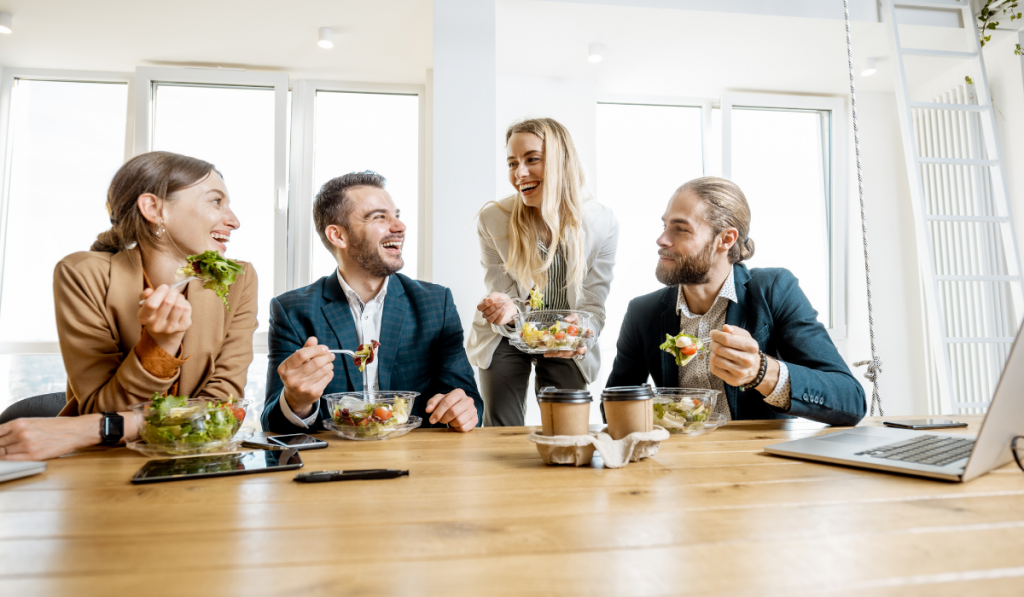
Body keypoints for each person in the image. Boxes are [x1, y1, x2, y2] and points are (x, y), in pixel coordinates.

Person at [606, 177, 865, 426]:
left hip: (757, 462)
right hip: (677, 462)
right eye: (664, 226)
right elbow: (613, 404)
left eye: (681, 229)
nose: (662, 240)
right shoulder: (642, 312)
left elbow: (850, 400)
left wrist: (762, 372)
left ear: (726, 239)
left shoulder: (774, 290)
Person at [261, 171, 482, 434]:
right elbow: (272, 421)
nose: (400, 226)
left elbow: (469, 401)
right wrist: (297, 402)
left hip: (418, 461)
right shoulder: (292, 311)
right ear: (338, 235)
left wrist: (463, 410)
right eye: (379, 217)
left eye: (397, 215)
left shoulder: (435, 303)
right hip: (334, 464)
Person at [54, 151, 258, 419]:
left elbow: (222, 406)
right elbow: (102, 413)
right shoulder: (83, 273)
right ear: (154, 208)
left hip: (202, 455)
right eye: (216, 201)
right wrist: (159, 345)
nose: (234, 221)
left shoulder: (238, 278)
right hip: (109, 458)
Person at [468, 118, 619, 427]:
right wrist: (508, 312)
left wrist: (582, 326)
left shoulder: (602, 223)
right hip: (506, 335)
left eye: (532, 159)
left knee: (566, 426)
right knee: (501, 427)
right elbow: (504, 293)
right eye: (512, 163)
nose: (519, 174)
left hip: (564, 337)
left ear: (562, 162)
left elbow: (592, 306)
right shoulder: (493, 219)